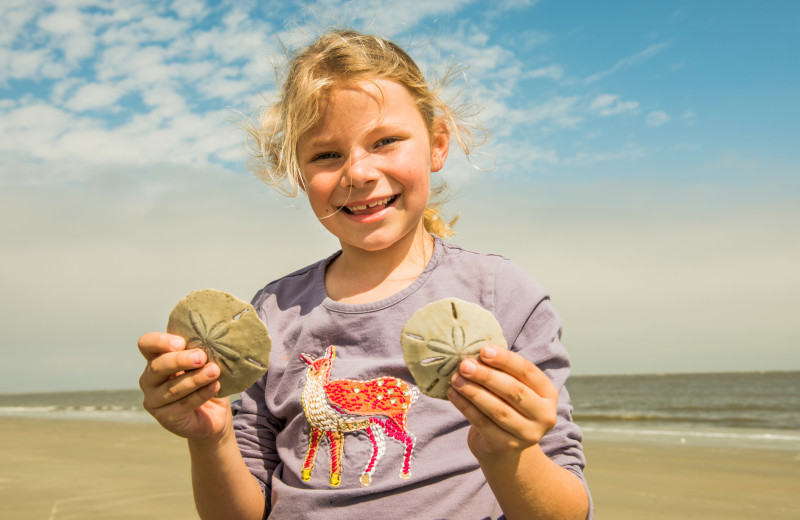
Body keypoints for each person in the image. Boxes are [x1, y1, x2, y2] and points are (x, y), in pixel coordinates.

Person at [138, 29, 592, 520]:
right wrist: (213, 438)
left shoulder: (501, 296)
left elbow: (566, 509)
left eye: (385, 141)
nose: (358, 172)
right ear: (298, 171)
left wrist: (508, 452)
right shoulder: (273, 314)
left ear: (437, 144)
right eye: (326, 154)